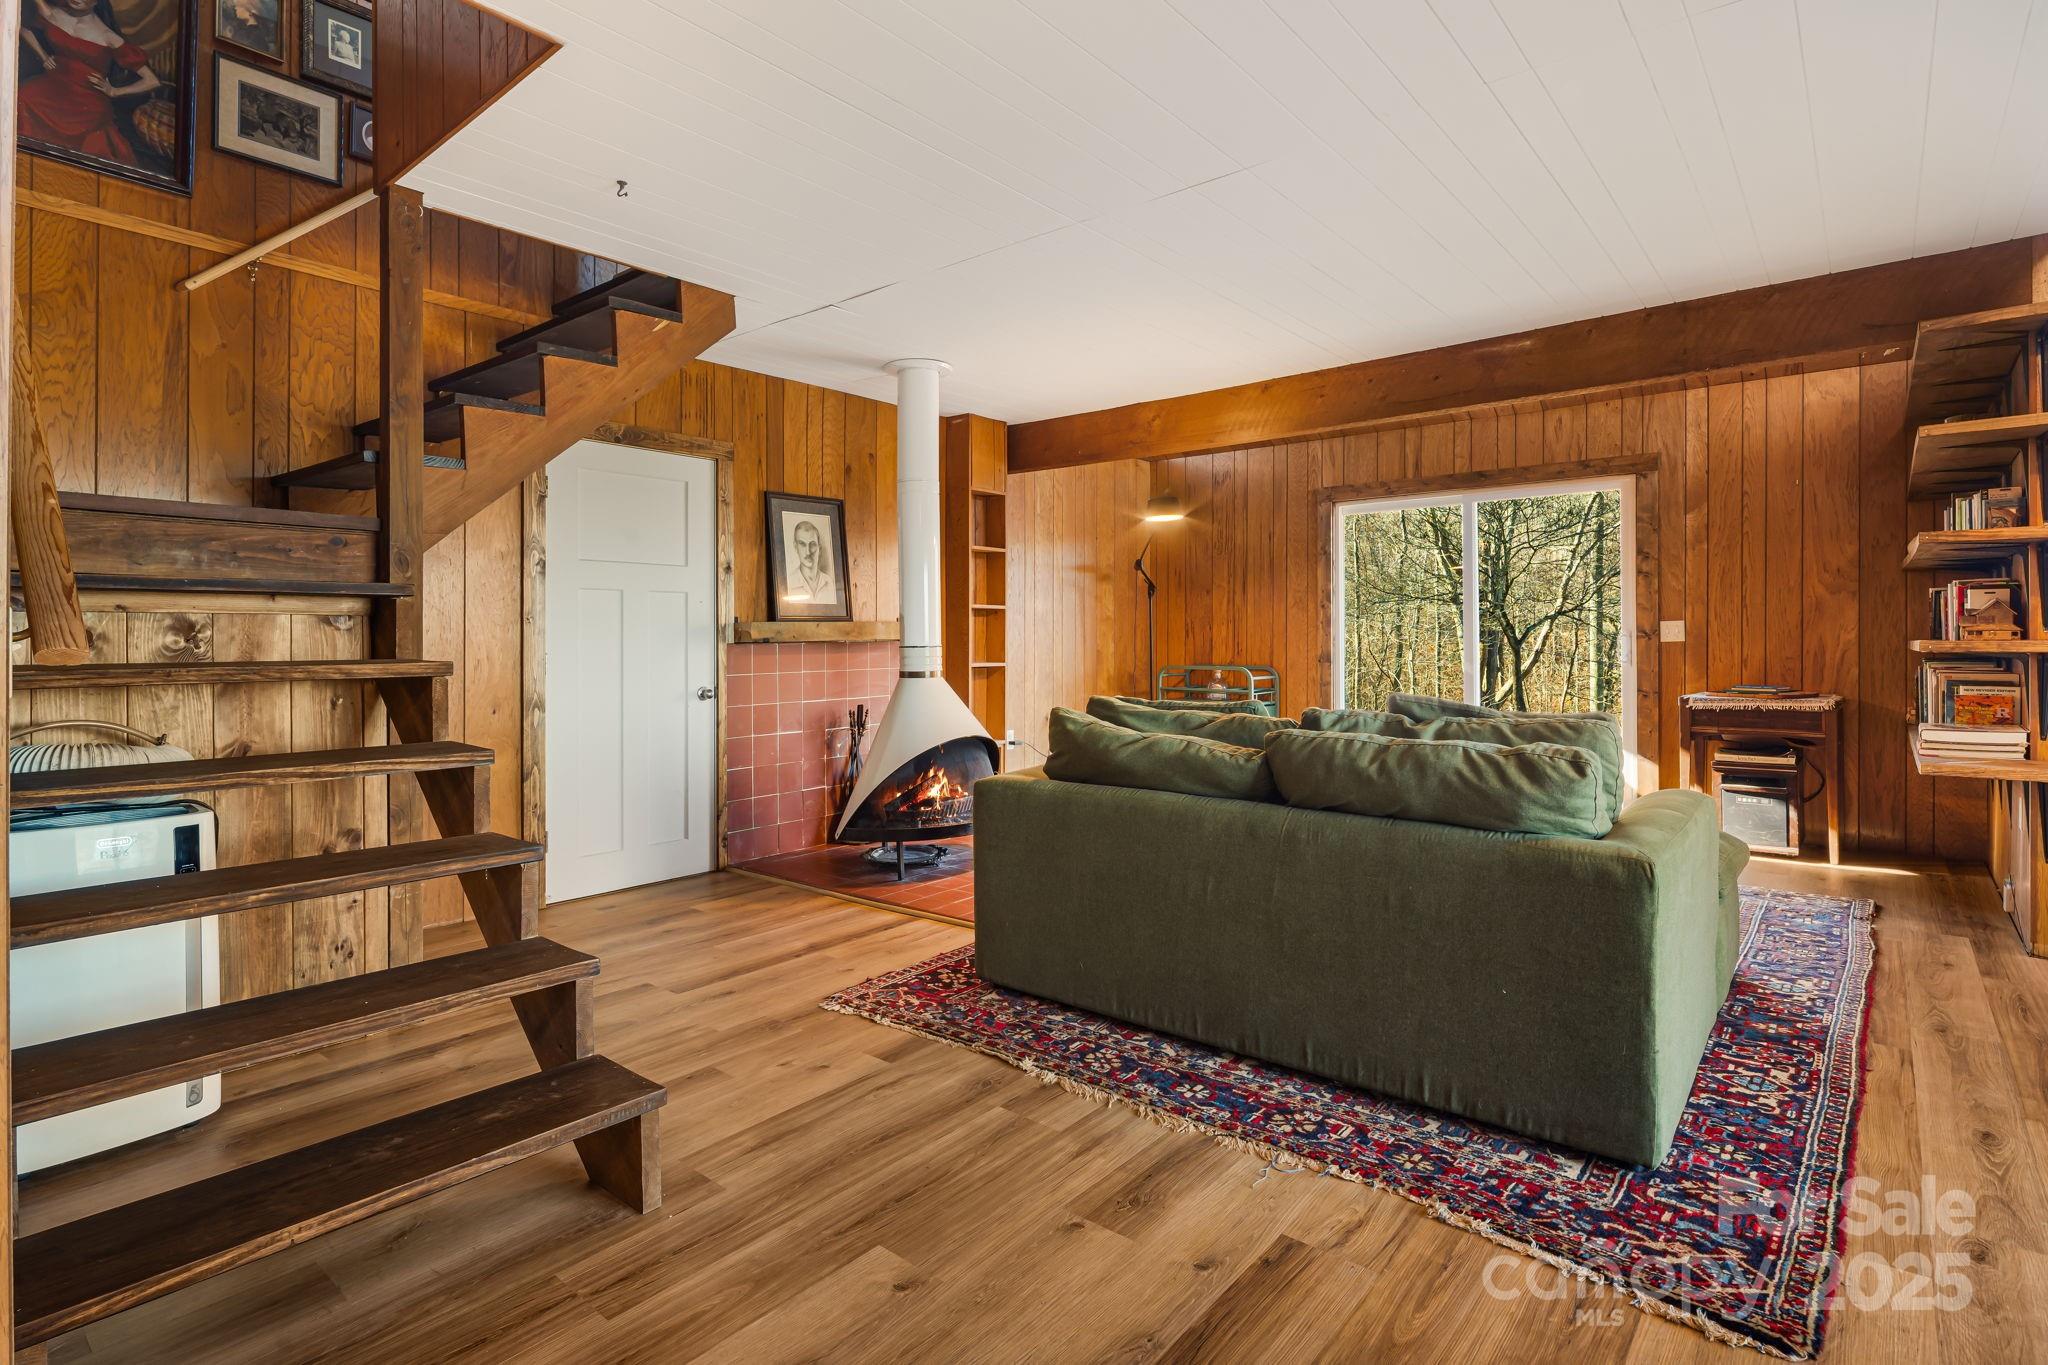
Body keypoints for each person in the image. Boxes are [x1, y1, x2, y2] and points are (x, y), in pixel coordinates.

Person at [20, 0, 164, 171]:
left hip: (87, 101)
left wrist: (115, 91)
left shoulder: (108, 37)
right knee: (23, 96)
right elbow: (22, 28)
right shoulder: (53, 13)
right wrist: (43, 55)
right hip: (53, 85)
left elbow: (152, 80)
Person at [790, 519, 837, 605]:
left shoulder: (830, 583)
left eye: (812, 544)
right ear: (795, 547)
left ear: (820, 549)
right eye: (802, 544)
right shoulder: (789, 583)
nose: (808, 552)